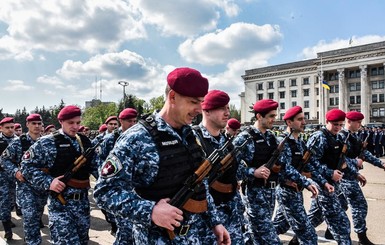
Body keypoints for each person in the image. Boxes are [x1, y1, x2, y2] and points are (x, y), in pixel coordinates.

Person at [94, 67, 230, 244]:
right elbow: (105, 191)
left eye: (202, 102)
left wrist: (215, 221)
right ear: (172, 97)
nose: (199, 109)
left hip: (198, 236)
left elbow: (200, 183)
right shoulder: (137, 138)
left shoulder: (190, 135)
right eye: (193, 102)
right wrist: (150, 211)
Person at [20, 105, 99, 244]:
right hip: (61, 205)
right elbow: (26, 166)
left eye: (78, 122)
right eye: (71, 123)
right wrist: (49, 182)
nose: (75, 126)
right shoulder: (47, 142)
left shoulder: (84, 141)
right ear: (61, 122)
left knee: (83, 241)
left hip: (82, 205)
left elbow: (96, 167)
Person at [193, 90, 249, 244]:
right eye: (221, 108)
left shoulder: (227, 141)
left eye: (228, 108)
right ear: (206, 110)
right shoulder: (193, 139)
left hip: (231, 213)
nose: (227, 113)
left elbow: (236, 173)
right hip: (206, 220)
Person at [306, 109, 360, 244]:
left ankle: (297, 240)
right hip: (322, 183)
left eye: (340, 125)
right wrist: (330, 173)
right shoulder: (319, 137)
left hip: (332, 183)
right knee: (341, 224)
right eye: (335, 124)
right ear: (327, 122)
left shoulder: (335, 137)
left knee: (315, 217)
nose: (338, 127)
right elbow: (309, 163)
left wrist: (354, 173)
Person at [233, 99, 282, 244]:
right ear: (259, 116)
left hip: (271, 193)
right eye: (271, 116)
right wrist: (252, 172)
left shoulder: (271, 137)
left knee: (255, 236)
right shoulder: (244, 138)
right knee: (271, 239)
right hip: (255, 194)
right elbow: (230, 168)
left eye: (275, 115)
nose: (274, 119)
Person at [272, 106, 319, 245]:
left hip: (296, 190)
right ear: (289, 122)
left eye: (303, 119)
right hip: (286, 191)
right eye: (300, 119)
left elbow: (309, 166)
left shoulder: (300, 142)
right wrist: (306, 182)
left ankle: (249, 240)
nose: (304, 122)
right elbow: (281, 168)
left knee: (280, 226)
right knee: (308, 235)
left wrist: (322, 181)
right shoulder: (282, 142)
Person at [336, 111, 385, 245]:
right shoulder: (341, 137)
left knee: (339, 205)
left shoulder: (353, 136)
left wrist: (381, 163)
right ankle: (362, 237)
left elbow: (363, 153)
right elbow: (341, 159)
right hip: (345, 177)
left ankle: (329, 230)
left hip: (346, 177)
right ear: (349, 122)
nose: (360, 125)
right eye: (358, 122)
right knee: (359, 205)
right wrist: (355, 169)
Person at [1, 114, 48, 245]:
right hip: (25, 187)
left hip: (43, 187)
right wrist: (16, 172)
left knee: (37, 215)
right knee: (30, 217)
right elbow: (4, 159)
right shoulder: (19, 142)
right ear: (27, 125)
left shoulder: (47, 142)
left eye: (39, 123)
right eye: (34, 123)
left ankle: (30, 239)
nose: (37, 126)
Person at [96, 107, 138, 241]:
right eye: (129, 121)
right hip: (120, 188)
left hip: (136, 188)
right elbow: (102, 161)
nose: (132, 124)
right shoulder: (111, 139)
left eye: (134, 121)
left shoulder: (139, 136)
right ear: (121, 121)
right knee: (125, 230)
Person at [0, 117, 18, 240]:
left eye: (12, 127)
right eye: (7, 127)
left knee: (13, 201)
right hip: (2, 176)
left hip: (15, 175)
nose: (10, 130)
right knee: (5, 201)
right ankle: (7, 228)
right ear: (1, 128)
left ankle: (7, 218)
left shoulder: (18, 140)